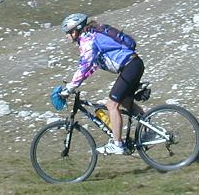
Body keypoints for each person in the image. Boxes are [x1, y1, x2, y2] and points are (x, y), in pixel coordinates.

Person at [55, 13, 144, 155]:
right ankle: (151, 130)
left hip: (129, 67)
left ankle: (118, 144)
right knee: (126, 102)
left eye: (68, 32)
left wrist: (71, 87)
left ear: (76, 30)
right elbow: (92, 66)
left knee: (112, 105)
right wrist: (75, 84)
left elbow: (85, 65)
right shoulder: (92, 35)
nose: (66, 36)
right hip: (134, 65)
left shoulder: (87, 39)